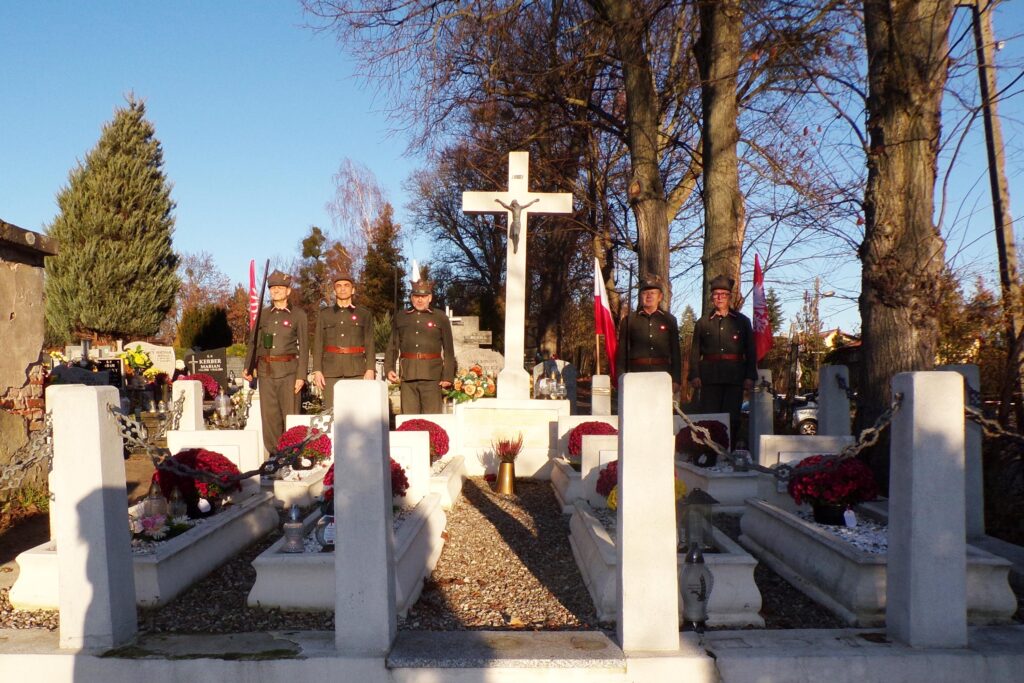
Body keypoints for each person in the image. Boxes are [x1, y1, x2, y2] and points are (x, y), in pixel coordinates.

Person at [688, 274, 757, 447]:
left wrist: (750, 376)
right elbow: (695, 352)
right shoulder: (703, 322)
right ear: (711, 297)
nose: (719, 298)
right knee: (709, 417)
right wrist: (694, 374)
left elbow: (750, 350)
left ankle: (729, 452)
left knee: (732, 417)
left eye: (723, 294)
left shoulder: (742, 322)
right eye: (716, 294)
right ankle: (710, 452)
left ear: (729, 297)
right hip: (709, 377)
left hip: (734, 377)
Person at [243, 270, 308, 455]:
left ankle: (292, 454)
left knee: (290, 415)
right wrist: (248, 366)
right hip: (266, 371)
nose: (276, 291)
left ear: (288, 291)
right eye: (272, 288)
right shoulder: (263, 315)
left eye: (280, 287)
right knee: (269, 417)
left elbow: (304, 347)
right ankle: (274, 455)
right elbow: (253, 342)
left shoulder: (298, 315)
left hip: (289, 373)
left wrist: (301, 376)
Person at [384, 279, 455, 414]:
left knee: (432, 418)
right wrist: (389, 368)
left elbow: (449, 350)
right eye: (416, 296)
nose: (420, 300)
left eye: (423, 296)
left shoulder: (440, 317)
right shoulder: (401, 316)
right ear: (411, 298)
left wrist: (447, 376)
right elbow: (393, 346)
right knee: (408, 419)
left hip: (432, 376)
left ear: (430, 297)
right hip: (408, 375)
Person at [312, 271, 375, 410]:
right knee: (332, 411)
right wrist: (317, 370)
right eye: (339, 286)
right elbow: (318, 343)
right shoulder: (325, 314)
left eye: (346, 285)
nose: (342, 289)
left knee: (357, 412)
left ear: (353, 290)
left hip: (357, 371)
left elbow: (370, 343)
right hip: (331, 372)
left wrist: (370, 369)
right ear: (334, 291)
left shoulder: (364, 314)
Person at [616, 276, 681, 396]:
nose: (649, 296)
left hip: (662, 374)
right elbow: (622, 353)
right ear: (640, 296)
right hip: (636, 374)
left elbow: (675, 352)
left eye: (653, 293)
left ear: (660, 297)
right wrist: (620, 377)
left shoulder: (670, 320)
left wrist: (676, 379)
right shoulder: (629, 320)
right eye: (645, 293)